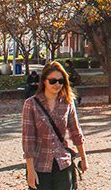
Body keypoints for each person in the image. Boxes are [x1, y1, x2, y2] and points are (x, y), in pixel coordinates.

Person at [22, 61, 88, 190]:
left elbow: (76, 132)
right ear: (44, 81)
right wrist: (30, 170)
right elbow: (28, 140)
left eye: (60, 81)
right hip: (40, 165)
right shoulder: (31, 104)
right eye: (53, 81)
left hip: (63, 164)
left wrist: (84, 158)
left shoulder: (68, 103)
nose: (57, 84)